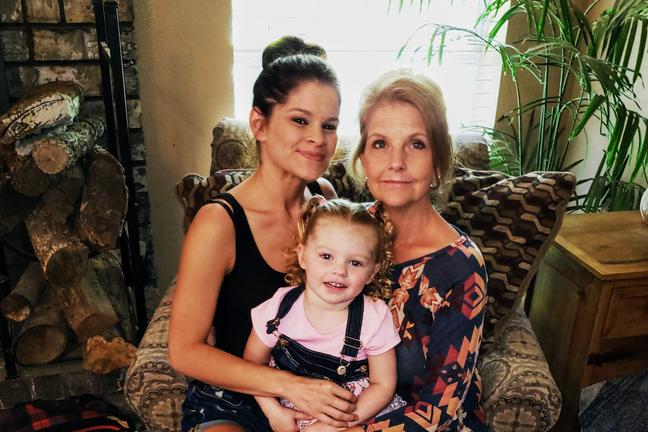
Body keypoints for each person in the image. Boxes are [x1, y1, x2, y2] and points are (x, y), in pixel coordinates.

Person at [169, 36, 359, 432]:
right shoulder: (219, 222)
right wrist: (288, 385)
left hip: (313, 398)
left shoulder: (325, 198)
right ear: (259, 124)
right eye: (300, 120)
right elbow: (184, 352)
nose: (318, 138)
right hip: (232, 399)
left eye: (329, 125)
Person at [350, 69, 489, 431]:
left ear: (438, 162)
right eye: (380, 143)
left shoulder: (462, 267)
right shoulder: (344, 234)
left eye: (416, 144)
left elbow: (439, 410)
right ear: (362, 158)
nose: (396, 162)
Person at [244, 197, 406, 432]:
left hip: (356, 412)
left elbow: (383, 385)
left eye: (355, 263)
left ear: (373, 272)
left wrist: (331, 426)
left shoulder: (374, 316)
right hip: (295, 411)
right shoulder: (279, 308)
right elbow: (252, 365)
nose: (339, 271)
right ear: (302, 256)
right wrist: (273, 411)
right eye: (327, 256)